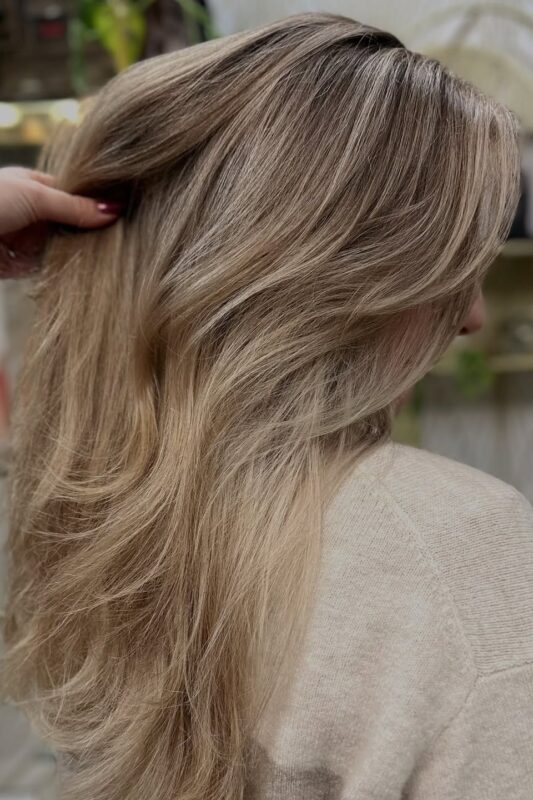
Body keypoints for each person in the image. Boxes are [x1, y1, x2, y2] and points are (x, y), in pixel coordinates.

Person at [1, 12, 532, 800]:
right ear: (340, 275)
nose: (471, 319)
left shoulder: (89, 518)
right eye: (449, 270)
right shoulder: (458, 550)